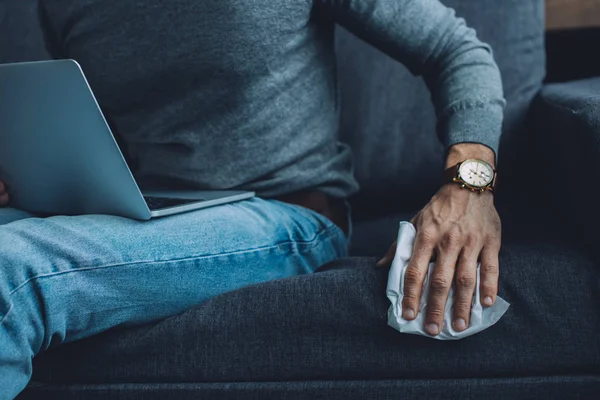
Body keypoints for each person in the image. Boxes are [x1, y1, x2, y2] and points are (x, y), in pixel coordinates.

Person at [0, 0, 504, 398]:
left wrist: (468, 185)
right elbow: (88, 127)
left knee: (12, 269)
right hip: (144, 208)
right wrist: (25, 172)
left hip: (284, 213)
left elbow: (455, 50)